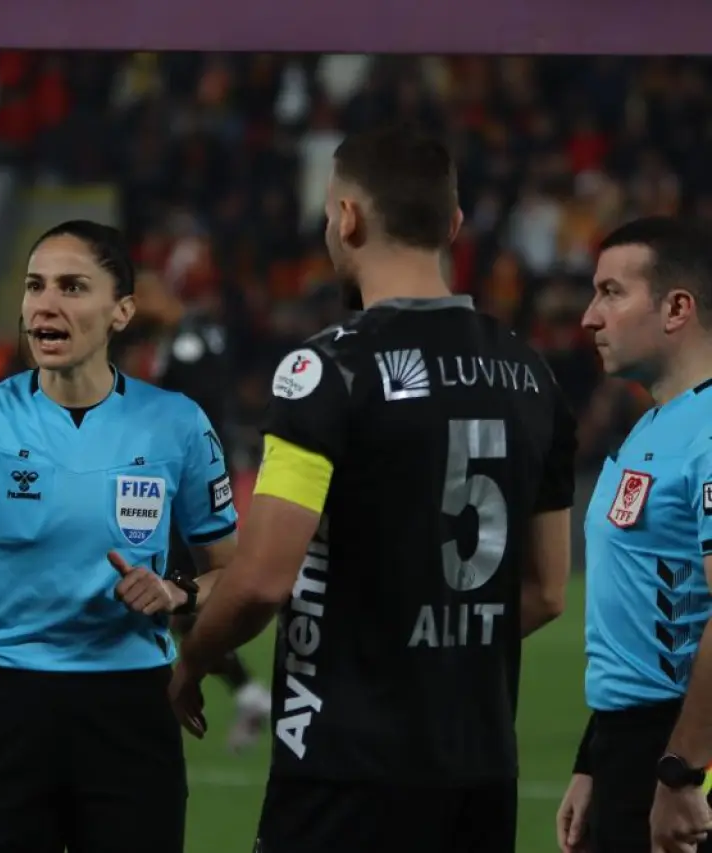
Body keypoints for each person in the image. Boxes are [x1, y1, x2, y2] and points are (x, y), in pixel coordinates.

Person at [170, 125, 578, 853]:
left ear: (348, 218)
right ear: (453, 223)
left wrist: (193, 660)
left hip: (346, 764)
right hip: (481, 766)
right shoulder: (532, 374)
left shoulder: (327, 371)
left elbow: (261, 579)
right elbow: (548, 591)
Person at [0, 219, 240, 853]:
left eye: (72, 287)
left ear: (121, 311)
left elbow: (231, 573)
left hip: (130, 703)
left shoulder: (177, 423)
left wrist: (177, 593)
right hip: (1, 702)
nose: (45, 304)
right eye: (34, 286)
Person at [556, 217, 712, 853]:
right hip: (627, 749)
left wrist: (682, 772)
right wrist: (594, 759)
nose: (590, 317)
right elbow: (637, 622)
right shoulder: (654, 426)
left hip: (678, 752)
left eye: (611, 293)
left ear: (676, 309)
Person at [134, 268, 272, 751]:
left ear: (159, 294)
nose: (135, 308)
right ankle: (248, 693)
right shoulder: (187, 337)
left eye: (141, 296)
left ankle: (230, 690)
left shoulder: (188, 344)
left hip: (192, 483)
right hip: (194, 477)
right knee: (178, 603)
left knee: (178, 592)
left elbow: (194, 412)